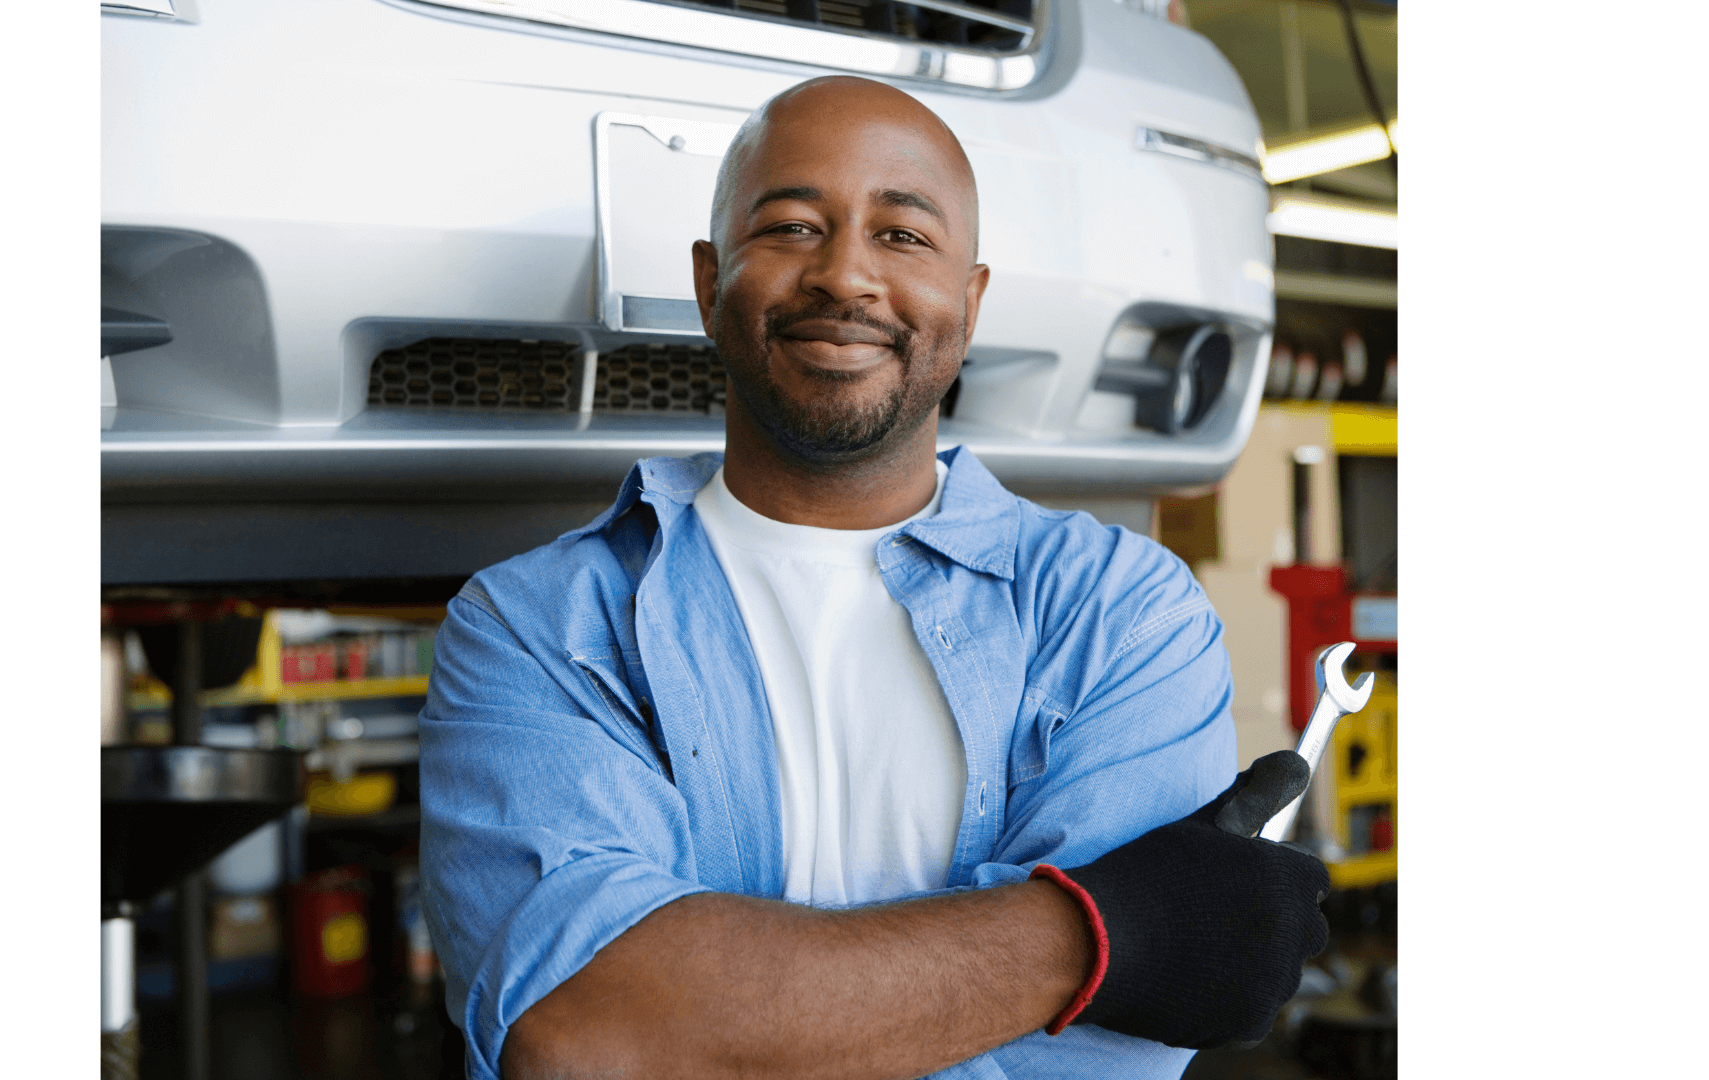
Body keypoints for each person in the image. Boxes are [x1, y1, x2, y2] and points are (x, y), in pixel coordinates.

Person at [417, 75, 1329, 1080]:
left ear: (969, 303)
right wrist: (1097, 937)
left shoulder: (1122, 613)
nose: (845, 274)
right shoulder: (536, 624)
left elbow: (1099, 1067)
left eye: (903, 235)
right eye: (792, 227)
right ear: (710, 284)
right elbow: (583, 1034)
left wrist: (713, 1015)